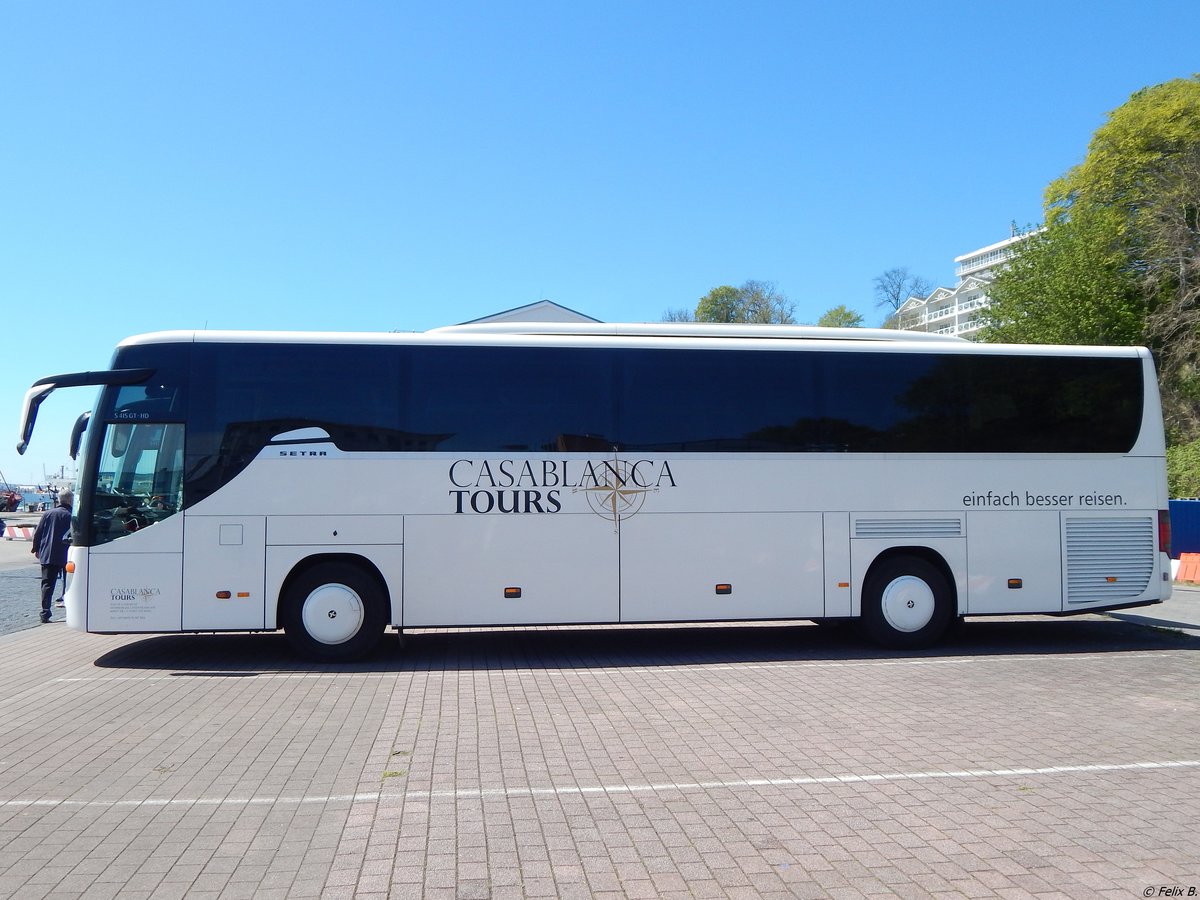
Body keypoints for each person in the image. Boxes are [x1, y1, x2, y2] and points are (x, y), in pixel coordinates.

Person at [31, 490, 72, 624]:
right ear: (70, 500)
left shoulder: (48, 513)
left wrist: (36, 549)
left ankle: (45, 612)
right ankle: (71, 611)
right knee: (69, 584)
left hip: (48, 554)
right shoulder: (72, 515)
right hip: (68, 554)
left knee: (47, 584)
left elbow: (38, 533)